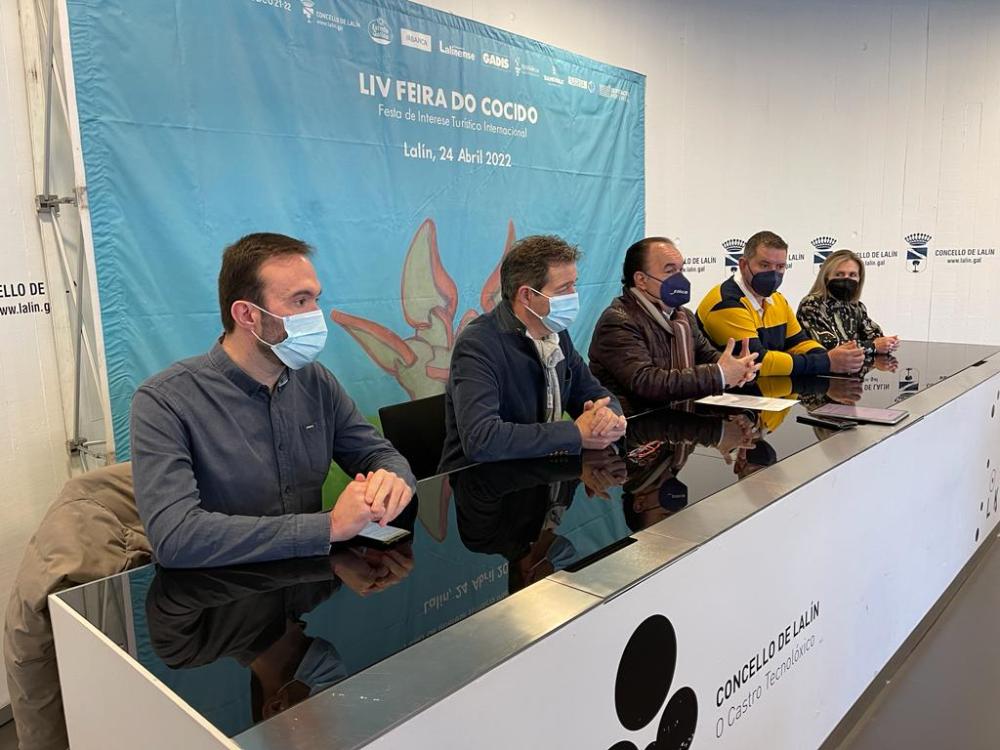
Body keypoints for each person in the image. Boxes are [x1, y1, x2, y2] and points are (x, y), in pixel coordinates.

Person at [130, 233, 416, 568]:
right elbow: (176, 538)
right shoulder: (163, 401)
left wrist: (391, 481)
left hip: (309, 584)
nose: (316, 315)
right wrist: (328, 527)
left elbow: (379, 454)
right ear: (247, 315)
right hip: (219, 592)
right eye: (300, 301)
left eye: (316, 300)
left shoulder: (315, 381)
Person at [440, 235, 627, 471]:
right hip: (483, 481)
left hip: (544, 472)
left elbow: (598, 395)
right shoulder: (478, 344)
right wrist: (575, 433)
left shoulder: (556, 333)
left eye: (574, 285)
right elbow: (482, 439)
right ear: (526, 295)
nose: (573, 295)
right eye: (563, 288)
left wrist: (608, 417)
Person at [588, 236, 760, 415]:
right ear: (641, 279)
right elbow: (646, 382)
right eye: (670, 271)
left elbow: (707, 356)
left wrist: (739, 367)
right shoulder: (618, 321)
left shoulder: (683, 317)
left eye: (681, 269)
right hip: (634, 424)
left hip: (679, 420)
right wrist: (719, 374)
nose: (680, 278)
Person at [696, 230, 866, 377]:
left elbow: (799, 342)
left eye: (780, 266)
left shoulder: (777, 299)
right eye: (764, 265)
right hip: (725, 399)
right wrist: (826, 362)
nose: (773, 273)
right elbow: (758, 361)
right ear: (743, 265)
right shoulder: (725, 302)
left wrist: (827, 356)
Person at [797, 248, 899, 359]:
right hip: (822, 368)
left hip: (853, 367)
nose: (846, 280)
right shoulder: (811, 305)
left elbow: (874, 334)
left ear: (859, 279)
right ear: (826, 277)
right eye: (839, 274)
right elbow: (827, 345)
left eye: (852, 275)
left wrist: (887, 343)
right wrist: (872, 346)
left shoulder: (856, 307)